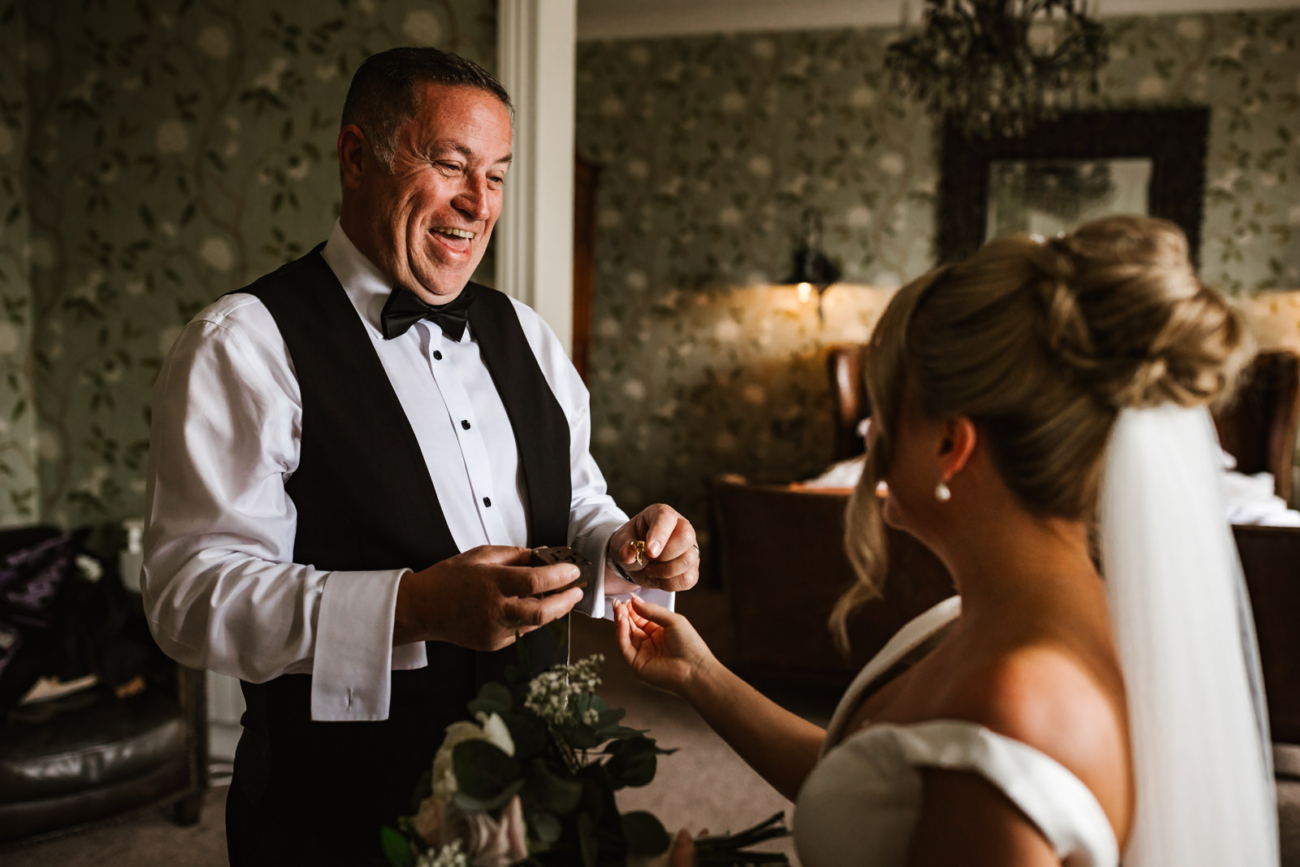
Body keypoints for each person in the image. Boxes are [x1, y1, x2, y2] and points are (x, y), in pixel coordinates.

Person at [141, 47, 699, 866]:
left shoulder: (529, 337)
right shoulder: (244, 344)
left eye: (498, 175)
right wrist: (415, 608)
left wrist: (623, 544)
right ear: (356, 156)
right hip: (338, 815)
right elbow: (189, 597)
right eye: (451, 165)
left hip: (539, 794)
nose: (479, 203)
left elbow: (574, 501)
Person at [618, 215, 1279, 866]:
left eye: (886, 410)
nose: (871, 434)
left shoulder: (1012, 706)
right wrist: (700, 674)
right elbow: (873, 788)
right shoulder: (995, 615)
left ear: (948, 443)